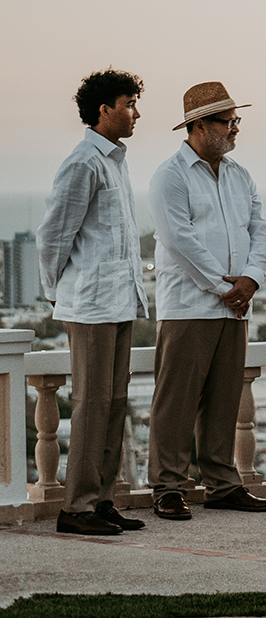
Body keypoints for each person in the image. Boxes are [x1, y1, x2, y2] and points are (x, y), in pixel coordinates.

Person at [146, 82, 266, 519]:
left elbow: (260, 232)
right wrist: (228, 288)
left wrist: (252, 280)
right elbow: (178, 240)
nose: (235, 129)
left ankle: (222, 483)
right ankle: (167, 486)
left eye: (236, 120)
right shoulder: (171, 175)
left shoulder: (241, 175)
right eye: (228, 121)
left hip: (236, 306)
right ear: (199, 126)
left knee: (225, 399)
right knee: (177, 400)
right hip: (189, 306)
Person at [38, 69, 150, 536]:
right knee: (91, 403)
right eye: (128, 104)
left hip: (120, 302)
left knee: (115, 402)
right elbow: (53, 236)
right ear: (104, 110)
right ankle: (75, 508)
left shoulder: (115, 162)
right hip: (89, 305)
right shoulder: (84, 161)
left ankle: (103, 500)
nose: (136, 113)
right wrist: (57, 293)